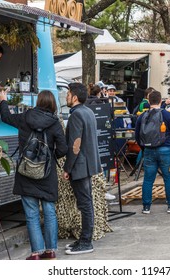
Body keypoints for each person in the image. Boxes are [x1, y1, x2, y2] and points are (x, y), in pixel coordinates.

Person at [0, 89, 67, 260]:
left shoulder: (25, 117)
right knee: (50, 211)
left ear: (38, 102)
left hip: (26, 172)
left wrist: (3, 100)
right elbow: (64, 149)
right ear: (53, 105)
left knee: (31, 213)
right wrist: (50, 158)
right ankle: (50, 251)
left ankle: (36, 253)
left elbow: (6, 117)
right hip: (47, 174)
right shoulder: (55, 123)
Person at [62, 82, 102, 254]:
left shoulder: (77, 115)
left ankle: (86, 241)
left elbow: (75, 145)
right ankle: (84, 239)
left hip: (80, 166)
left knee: (85, 204)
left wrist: (67, 168)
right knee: (86, 203)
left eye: (68, 93)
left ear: (75, 97)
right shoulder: (88, 111)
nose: (66, 96)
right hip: (87, 164)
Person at [135, 90, 170, 214]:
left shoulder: (142, 116)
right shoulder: (167, 115)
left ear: (149, 101)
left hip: (148, 150)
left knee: (148, 179)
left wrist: (144, 148)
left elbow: (137, 135)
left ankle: (146, 207)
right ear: (160, 101)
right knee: (168, 178)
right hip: (165, 149)